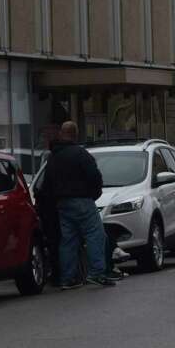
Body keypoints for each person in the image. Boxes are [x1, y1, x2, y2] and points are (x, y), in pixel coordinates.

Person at [41, 121, 115, 288]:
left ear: (61, 133)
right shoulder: (81, 154)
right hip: (82, 200)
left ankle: (68, 277)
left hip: (62, 203)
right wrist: (94, 194)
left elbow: (47, 184)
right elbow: (94, 176)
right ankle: (97, 272)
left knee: (68, 240)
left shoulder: (53, 157)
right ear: (75, 134)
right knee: (95, 235)